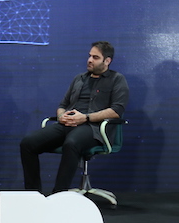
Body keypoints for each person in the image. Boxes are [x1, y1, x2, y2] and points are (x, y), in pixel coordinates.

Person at [20, 41, 129, 194]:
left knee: (71, 143)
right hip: (67, 124)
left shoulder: (117, 79)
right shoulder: (79, 78)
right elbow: (62, 105)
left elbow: (116, 110)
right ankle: (33, 194)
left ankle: (59, 195)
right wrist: (61, 116)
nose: (89, 60)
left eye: (95, 57)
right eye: (89, 56)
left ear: (107, 61)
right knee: (28, 143)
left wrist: (86, 118)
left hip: (94, 129)